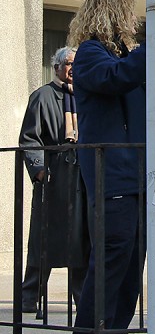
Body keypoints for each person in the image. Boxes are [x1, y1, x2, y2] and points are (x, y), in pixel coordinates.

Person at [67, 0, 147, 332]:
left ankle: (115, 327)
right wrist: (152, 48)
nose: (133, 22)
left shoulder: (124, 54)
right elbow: (115, 78)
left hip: (137, 177)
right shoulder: (89, 53)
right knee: (111, 261)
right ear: (112, 16)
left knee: (130, 269)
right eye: (127, 14)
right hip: (112, 174)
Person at [19, 46, 90, 313]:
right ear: (57, 67)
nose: (73, 69)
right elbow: (29, 138)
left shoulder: (85, 95)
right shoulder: (42, 96)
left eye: (77, 64)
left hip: (81, 177)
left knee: (79, 239)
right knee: (42, 238)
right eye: (69, 64)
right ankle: (30, 296)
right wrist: (38, 169)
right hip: (53, 177)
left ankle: (81, 298)